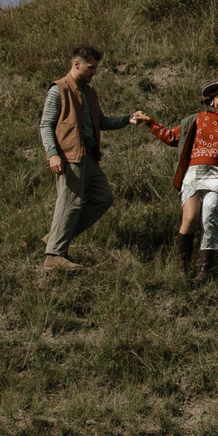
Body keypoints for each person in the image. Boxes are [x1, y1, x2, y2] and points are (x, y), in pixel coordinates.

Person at [138, 77, 218, 280]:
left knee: (209, 219)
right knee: (189, 219)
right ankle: (181, 271)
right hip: (194, 174)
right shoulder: (196, 119)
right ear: (212, 99)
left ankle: (204, 272)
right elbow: (171, 137)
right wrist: (149, 121)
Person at [39, 45, 152, 271]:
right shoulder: (58, 89)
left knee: (103, 198)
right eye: (91, 68)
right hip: (69, 157)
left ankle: (56, 237)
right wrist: (52, 155)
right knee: (69, 204)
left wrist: (127, 119)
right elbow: (46, 125)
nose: (94, 72)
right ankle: (53, 256)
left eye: (96, 68)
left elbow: (101, 121)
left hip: (89, 157)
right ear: (76, 64)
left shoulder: (89, 92)